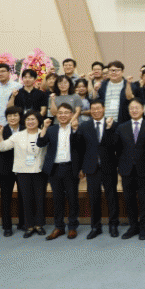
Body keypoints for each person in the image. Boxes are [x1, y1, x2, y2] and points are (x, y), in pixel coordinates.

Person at [0, 110, 47, 238]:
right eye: (28, 119)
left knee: (40, 199)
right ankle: (29, 226)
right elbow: (1, 147)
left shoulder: (44, 133)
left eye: (33, 119)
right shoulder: (18, 135)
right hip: (23, 172)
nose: (30, 122)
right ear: (24, 121)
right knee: (26, 199)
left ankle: (39, 225)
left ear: (38, 121)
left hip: (40, 171)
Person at [114, 99, 145, 240]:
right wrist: (120, 166)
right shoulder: (122, 127)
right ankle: (133, 226)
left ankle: (144, 227)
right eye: (131, 108)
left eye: (137, 108)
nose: (134, 110)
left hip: (144, 169)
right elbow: (117, 149)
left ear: (143, 110)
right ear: (128, 111)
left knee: (144, 199)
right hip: (126, 169)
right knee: (129, 199)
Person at [36, 103, 83, 240]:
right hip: (54, 169)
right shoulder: (51, 129)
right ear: (56, 115)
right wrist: (44, 127)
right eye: (60, 113)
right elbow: (40, 143)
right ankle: (59, 227)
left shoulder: (77, 128)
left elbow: (81, 147)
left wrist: (75, 130)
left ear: (71, 114)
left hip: (70, 168)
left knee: (72, 198)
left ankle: (72, 227)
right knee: (57, 199)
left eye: (66, 112)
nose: (63, 115)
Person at [78, 100, 120, 239]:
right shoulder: (84, 126)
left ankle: (113, 225)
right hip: (92, 168)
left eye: (98, 108)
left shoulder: (113, 125)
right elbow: (80, 148)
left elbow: (116, 145)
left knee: (112, 197)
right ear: (90, 110)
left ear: (104, 109)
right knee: (93, 198)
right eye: (93, 109)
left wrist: (109, 129)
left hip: (109, 166)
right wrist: (81, 167)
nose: (96, 111)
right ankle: (95, 227)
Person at [0, 106, 25, 236]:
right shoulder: (0, 130)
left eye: (15, 115)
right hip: (5, 169)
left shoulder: (26, 129)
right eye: (10, 116)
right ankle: (7, 226)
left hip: (23, 168)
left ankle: (23, 223)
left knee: (24, 197)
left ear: (20, 117)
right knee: (5, 198)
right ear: (6, 118)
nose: (12, 118)